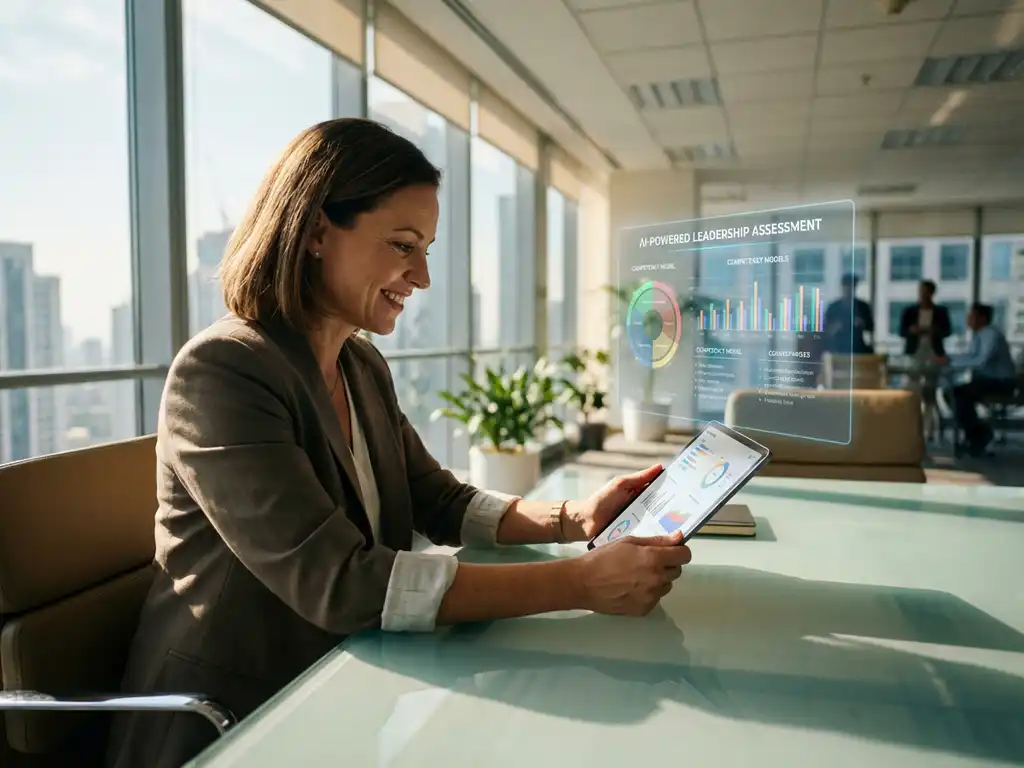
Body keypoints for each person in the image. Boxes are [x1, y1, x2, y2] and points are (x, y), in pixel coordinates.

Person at [104, 118, 691, 768]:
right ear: (317, 232)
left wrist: (571, 518)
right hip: (229, 721)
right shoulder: (224, 370)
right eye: (403, 245)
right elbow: (341, 584)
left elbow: (437, 498)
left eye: (426, 249)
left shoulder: (359, 364)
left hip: (341, 690)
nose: (422, 276)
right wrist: (576, 583)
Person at [936, 303, 1017, 455]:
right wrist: (949, 359)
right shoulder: (979, 335)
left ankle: (978, 435)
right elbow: (970, 356)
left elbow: (980, 361)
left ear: (982, 318)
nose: (968, 319)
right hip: (988, 380)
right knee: (951, 393)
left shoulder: (991, 335)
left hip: (1002, 382)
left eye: (971, 316)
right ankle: (978, 433)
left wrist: (951, 363)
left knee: (959, 395)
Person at [899, 280, 951, 362]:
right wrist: (912, 330)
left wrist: (935, 330)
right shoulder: (909, 311)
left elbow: (947, 332)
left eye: (926, 292)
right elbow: (901, 332)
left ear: (932, 293)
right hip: (913, 352)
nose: (923, 295)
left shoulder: (941, 312)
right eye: (921, 292)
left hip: (935, 352)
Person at [823, 273, 874, 354]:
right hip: (836, 348)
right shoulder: (833, 307)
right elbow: (825, 329)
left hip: (858, 347)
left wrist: (862, 323)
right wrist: (835, 327)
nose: (849, 290)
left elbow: (871, 327)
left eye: (851, 287)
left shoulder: (863, 306)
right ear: (842, 288)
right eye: (847, 287)